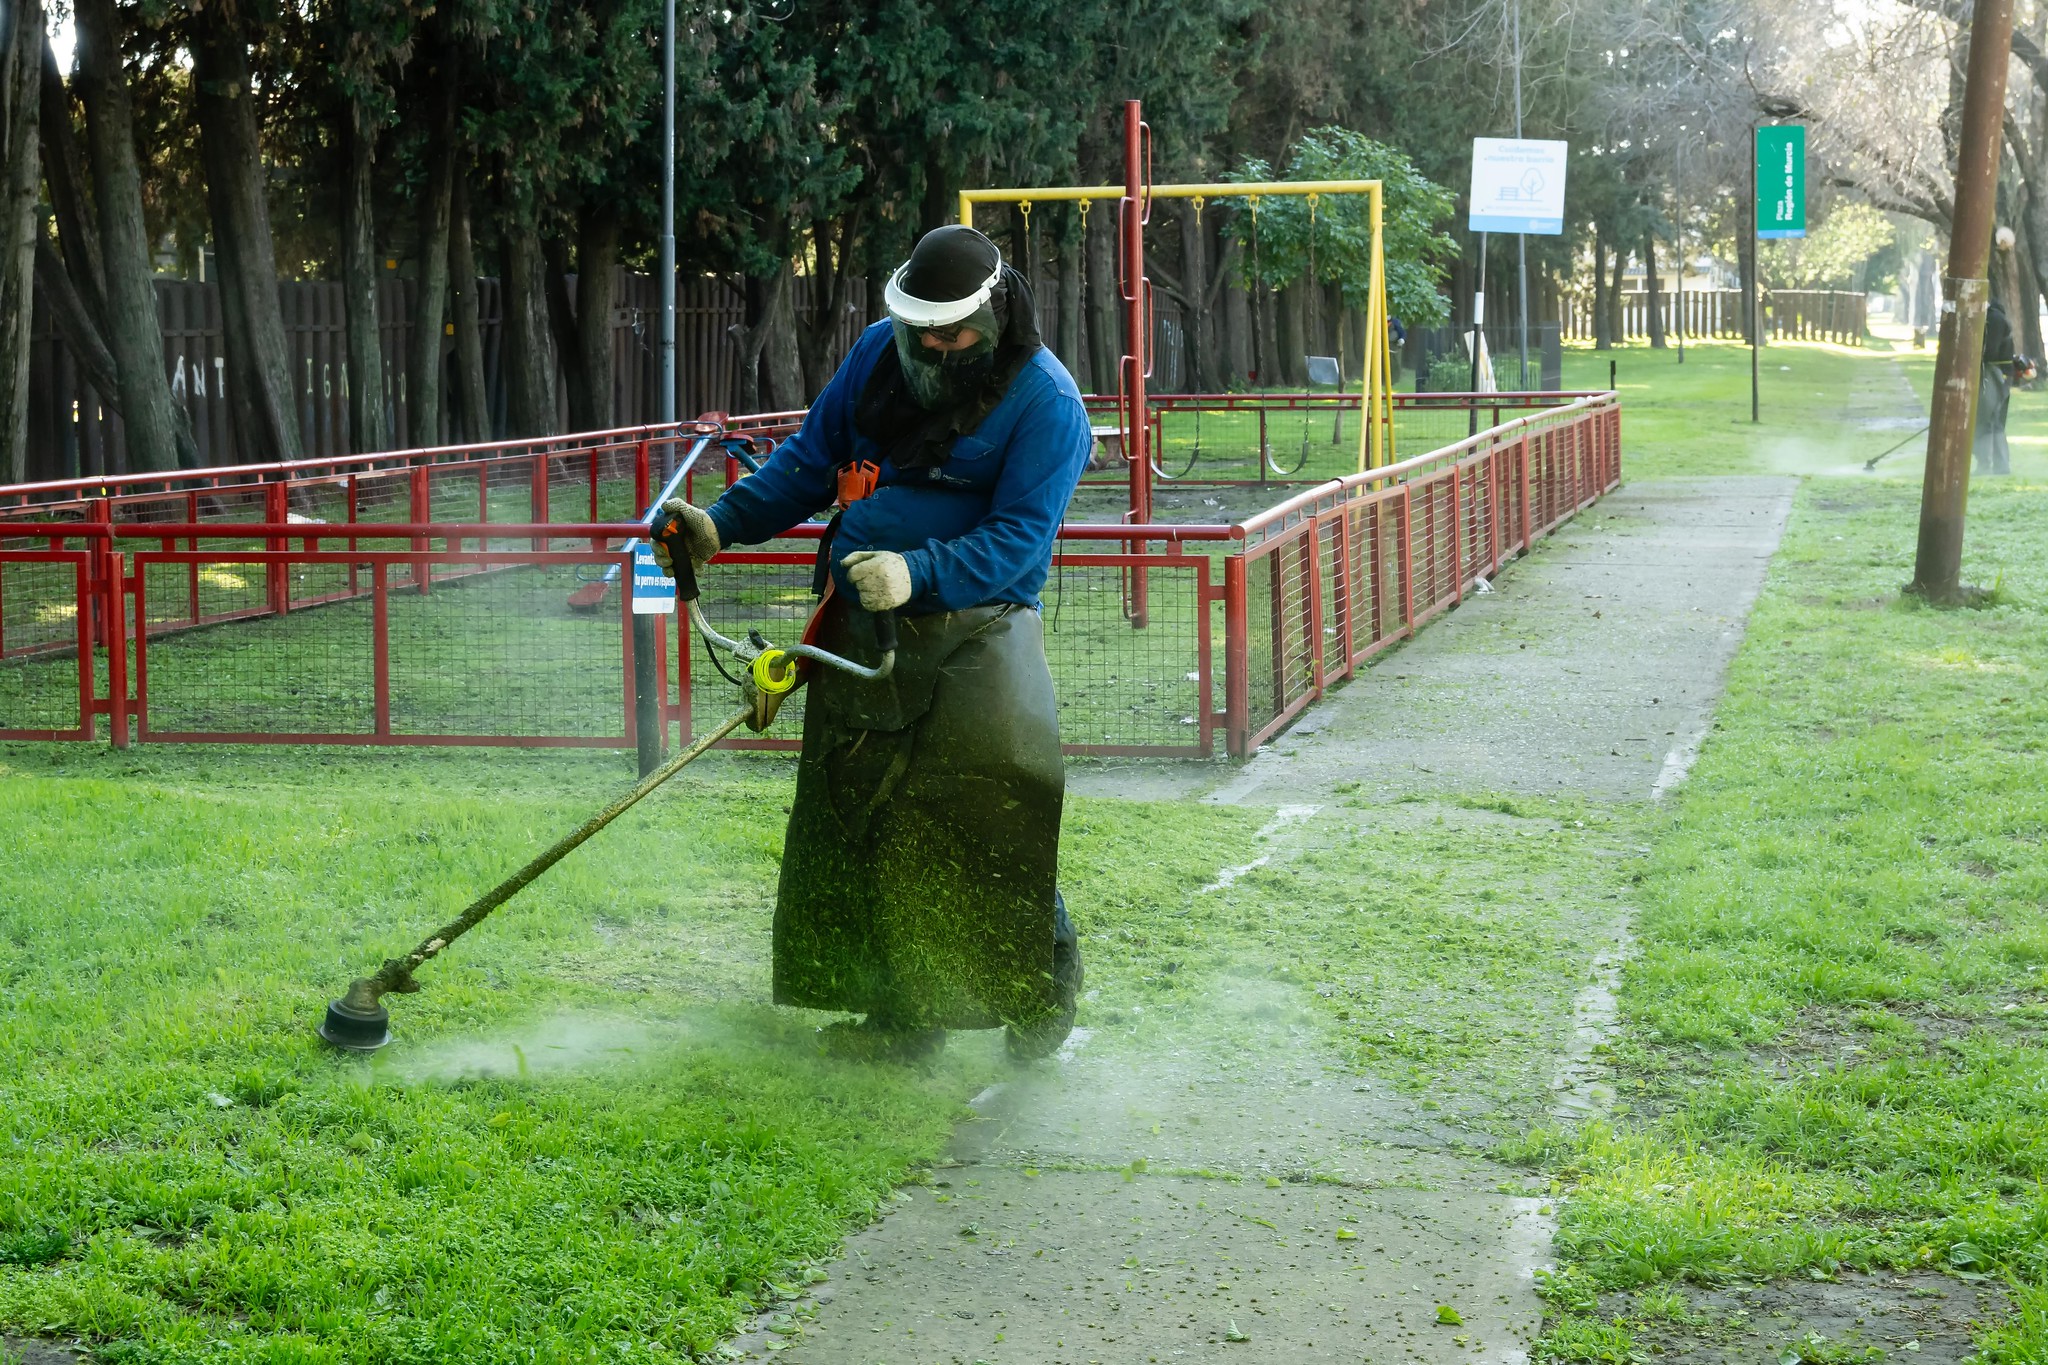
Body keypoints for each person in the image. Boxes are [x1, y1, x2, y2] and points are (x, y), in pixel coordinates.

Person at [652, 225, 1092, 1062]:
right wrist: (723, 524)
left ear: (995, 315)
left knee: (974, 820)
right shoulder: (873, 356)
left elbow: (1020, 543)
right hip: (860, 621)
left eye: (951, 331)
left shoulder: (1048, 403)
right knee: (866, 818)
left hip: (979, 634)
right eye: (918, 327)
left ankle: (1044, 976)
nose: (931, 343)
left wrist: (917, 572)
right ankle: (898, 1015)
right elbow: (811, 461)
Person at [1977, 296, 2016, 477]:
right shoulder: (1996, 317)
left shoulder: (1993, 319)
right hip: (2000, 374)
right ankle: (1999, 465)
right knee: (1994, 422)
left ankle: (1987, 465)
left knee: (1987, 421)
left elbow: (1990, 351)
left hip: (1993, 373)